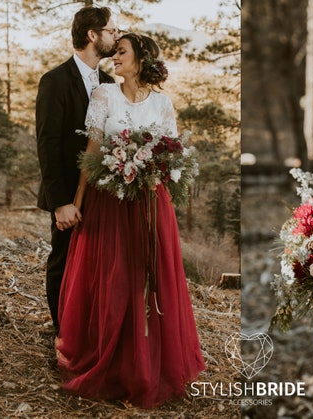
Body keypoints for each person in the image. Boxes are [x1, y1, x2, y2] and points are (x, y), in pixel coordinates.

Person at [54, 33, 205, 408]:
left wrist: (152, 169)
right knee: (114, 278)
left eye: (121, 53)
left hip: (152, 204)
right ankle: (111, 359)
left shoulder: (164, 104)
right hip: (110, 204)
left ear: (140, 60)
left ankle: (149, 362)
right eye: (115, 51)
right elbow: (91, 153)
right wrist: (75, 204)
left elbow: (173, 156)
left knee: (148, 276)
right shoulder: (104, 96)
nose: (114, 58)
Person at [36, 6, 119, 334]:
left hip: (103, 195)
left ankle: (87, 332)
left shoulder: (110, 83)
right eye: (111, 30)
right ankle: (62, 334)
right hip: (68, 195)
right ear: (92, 34)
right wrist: (61, 202)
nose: (115, 35)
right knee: (63, 262)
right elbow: (47, 145)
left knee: (95, 265)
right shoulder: (54, 81)